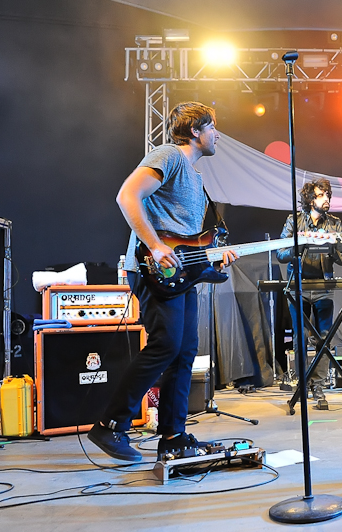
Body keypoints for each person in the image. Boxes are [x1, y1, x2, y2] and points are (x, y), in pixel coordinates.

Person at [88, 102, 237, 462]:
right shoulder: (169, 155)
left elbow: (189, 239)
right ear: (196, 131)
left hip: (179, 274)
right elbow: (127, 196)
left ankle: (173, 435)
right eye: (213, 127)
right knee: (166, 344)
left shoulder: (196, 178)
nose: (217, 134)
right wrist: (154, 246)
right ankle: (109, 425)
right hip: (152, 269)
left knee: (184, 350)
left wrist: (215, 253)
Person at [276, 178, 342, 402]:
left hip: (324, 286)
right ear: (309, 199)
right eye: (321, 195)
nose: (326, 199)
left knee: (324, 337)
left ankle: (318, 384)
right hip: (298, 286)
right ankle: (303, 382)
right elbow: (280, 253)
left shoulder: (334, 223)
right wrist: (302, 244)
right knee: (300, 337)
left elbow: (340, 258)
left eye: (328, 195)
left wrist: (337, 249)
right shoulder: (293, 221)